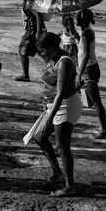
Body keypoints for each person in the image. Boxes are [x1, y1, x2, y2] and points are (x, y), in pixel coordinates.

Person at [34, 33, 81, 197]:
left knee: (62, 146)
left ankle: (70, 185)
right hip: (53, 105)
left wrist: (49, 119)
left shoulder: (64, 62)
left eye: (43, 51)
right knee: (39, 137)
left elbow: (60, 94)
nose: (41, 54)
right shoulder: (52, 58)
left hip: (65, 105)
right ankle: (57, 173)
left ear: (52, 48)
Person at [76, 7, 106, 140]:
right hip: (90, 68)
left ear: (82, 19)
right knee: (74, 93)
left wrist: (79, 74)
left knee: (96, 102)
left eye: (77, 18)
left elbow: (86, 56)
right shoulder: (86, 31)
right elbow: (83, 47)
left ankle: (104, 131)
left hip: (88, 70)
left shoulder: (86, 33)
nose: (76, 19)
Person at [12, 0, 45, 82]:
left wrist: (38, 33)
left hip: (32, 31)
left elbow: (38, 16)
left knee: (22, 50)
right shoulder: (28, 0)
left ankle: (25, 75)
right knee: (42, 52)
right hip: (31, 31)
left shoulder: (29, 2)